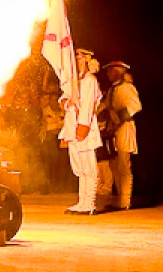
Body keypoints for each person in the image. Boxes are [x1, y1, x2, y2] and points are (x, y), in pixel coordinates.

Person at [59, 48, 103, 215]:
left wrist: (82, 127)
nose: (75, 60)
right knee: (79, 168)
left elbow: (88, 106)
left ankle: (90, 203)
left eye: (78, 57)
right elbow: (62, 99)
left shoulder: (90, 80)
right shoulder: (73, 81)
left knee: (88, 167)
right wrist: (66, 102)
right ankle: (81, 202)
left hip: (84, 128)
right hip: (72, 128)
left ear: (86, 59)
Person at [100, 61, 142, 211]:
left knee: (124, 165)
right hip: (112, 130)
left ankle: (125, 201)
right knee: (114, 165)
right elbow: (105, 105)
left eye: (110, 71)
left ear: (117, 72)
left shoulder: (127, 88)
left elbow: (136, 106)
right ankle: (119, 199)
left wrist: (118, 117)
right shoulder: (112, 89)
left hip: (124, 128)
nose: (107, 74)